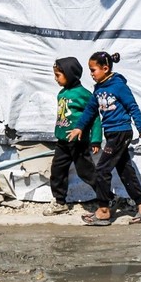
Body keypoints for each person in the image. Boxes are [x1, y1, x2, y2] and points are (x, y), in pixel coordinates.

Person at [67, 51, 141, 226]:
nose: (91, 74)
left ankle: (103, 210)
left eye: (93, 70)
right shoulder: (99, 88)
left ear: (105, 68)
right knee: (125, 171)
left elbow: (133, 107)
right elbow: (90, 111)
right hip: (111, 133)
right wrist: (79, 127)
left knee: (102, 169)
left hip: (121, 133)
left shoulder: (118, 86)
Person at [44, 57, 102, 216]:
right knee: (57, 171)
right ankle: (60, 202)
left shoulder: (84, 95)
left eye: (58, 75)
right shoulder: (61, 93)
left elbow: (95, 117)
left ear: (69, 74)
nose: (55, 79)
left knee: (87, 172)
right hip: (62, 142)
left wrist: (96, 139)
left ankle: (107, 198)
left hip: (78, 143)